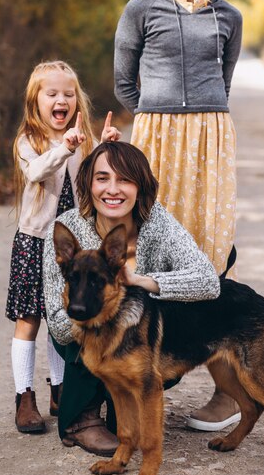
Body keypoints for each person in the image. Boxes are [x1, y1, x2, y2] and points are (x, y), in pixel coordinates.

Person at [113, 0, 243, 431]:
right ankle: (137, 375)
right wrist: (156, 124)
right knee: (149, 247)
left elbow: (224, 85)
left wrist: (203, 129)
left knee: (209, 257)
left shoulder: (228, 17)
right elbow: (125, 84)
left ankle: (226, 391)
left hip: (210, 143)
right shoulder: (141, 8)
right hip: (157, 140)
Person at [43, 141, 220, 455]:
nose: (113, 189)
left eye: (124, 179)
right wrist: (99, 317)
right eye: (102, 178)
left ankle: (123, 408)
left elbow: (208, 280)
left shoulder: (157, 222)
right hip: (83, 337)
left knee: (132, 405)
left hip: (138, 338)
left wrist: (140, 281)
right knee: (87, 337)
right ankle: (83, 416)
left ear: (141, 186)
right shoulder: (68, 228)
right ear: (88, 183)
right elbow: (58, 322)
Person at [6, 60, 120, 433]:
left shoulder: (81, 138)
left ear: (77, 102)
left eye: (68, 94)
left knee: (64, 318)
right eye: (51, 94)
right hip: (34, 242)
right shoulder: (29, 141)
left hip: (70, 250)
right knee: (30, 320)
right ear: (35, 102)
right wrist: (65, 148)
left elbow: (91, 179)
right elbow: (37, 171)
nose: (61, 99)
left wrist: (103, 148)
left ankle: (60, 389)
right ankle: (24, 396)